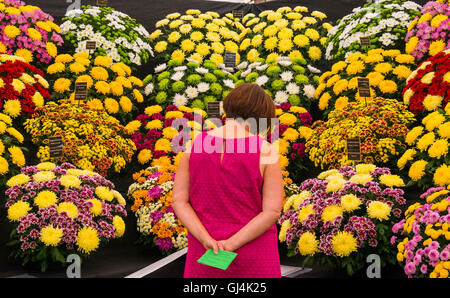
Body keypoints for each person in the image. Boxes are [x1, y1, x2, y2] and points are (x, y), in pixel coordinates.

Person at [172, 83, 283, 278]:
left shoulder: (195, 145)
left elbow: (179, 201)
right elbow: (272, 211)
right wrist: (229, 245)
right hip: (253, 256)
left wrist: (206, 240)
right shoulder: (265, 150)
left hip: (205, 253)